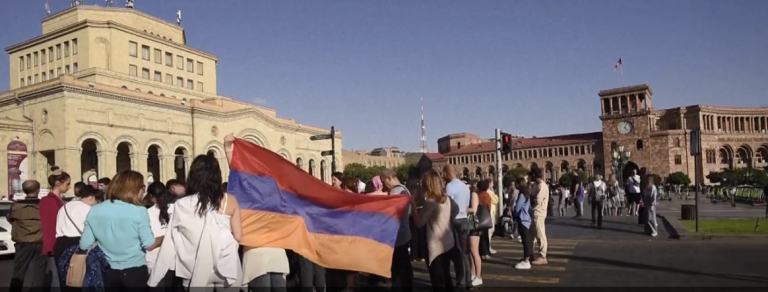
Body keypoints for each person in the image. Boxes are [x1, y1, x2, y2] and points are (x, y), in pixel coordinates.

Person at [149, 154, 243, 290]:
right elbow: (238, 236)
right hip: (225, 265)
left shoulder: (181, 204)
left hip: (192, 268)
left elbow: (170, 241)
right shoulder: (230, 200)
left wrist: (155, 278)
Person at [410, 170, 455, 292]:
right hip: (448, 241)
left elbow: (419, 223)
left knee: (438, 280)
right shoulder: (446, 198)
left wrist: (413, 206)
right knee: (446, 276)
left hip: (435, 245)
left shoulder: (431, 202)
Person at [8, 180, 47, 292]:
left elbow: (10, 218)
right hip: (40, 241)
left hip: (23, 242)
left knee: (19, 272)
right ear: (38, 190)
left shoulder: (16, 206)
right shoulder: (44, 205)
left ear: (24, 191)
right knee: (39, 274)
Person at [381, 169, 414, 292]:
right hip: (404, 231)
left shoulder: (396, 192)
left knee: (398, 267)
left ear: (389, 178)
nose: (385, 185)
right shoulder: (405, 190)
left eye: (385, 182)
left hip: (397, 234)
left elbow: (390, 213)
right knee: (405, 264)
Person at [40, 167, 70, 288]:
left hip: (61, 242)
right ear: (58, 183)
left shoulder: (57, 199)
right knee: (57, 279)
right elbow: (50, 225)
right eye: (67, 184)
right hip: (55, 244)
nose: (69, 187)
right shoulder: (49, 200)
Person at [442, 164, 470, 290]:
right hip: (465, 219)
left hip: (455, 221)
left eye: (444, 173)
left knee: (457, 254)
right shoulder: (465, 186)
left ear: (448, 173)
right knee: (465, 253)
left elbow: (448, 206)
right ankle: (468, 281)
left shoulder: (449, 186)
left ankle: (461, 282)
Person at [512, 177, 533, 270]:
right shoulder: (526, 193)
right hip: (527, 219)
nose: (514, 185)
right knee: (528, 240)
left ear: (519, 184)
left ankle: (526, 261)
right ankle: (528, 257)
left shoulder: (522, 195)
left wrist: (513, 208)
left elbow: (517, 208)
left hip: (523, 219)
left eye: (515, 183)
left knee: (526, 241)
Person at [529, 167, 549, 266]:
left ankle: (543, 256)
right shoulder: (537, 185)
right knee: (532, 235)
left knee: (540, 234)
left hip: (538, 212)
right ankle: (530, 254)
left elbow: (538, 200)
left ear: (534, 175)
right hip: (534, 212)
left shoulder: (542, 186)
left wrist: (531, 199)